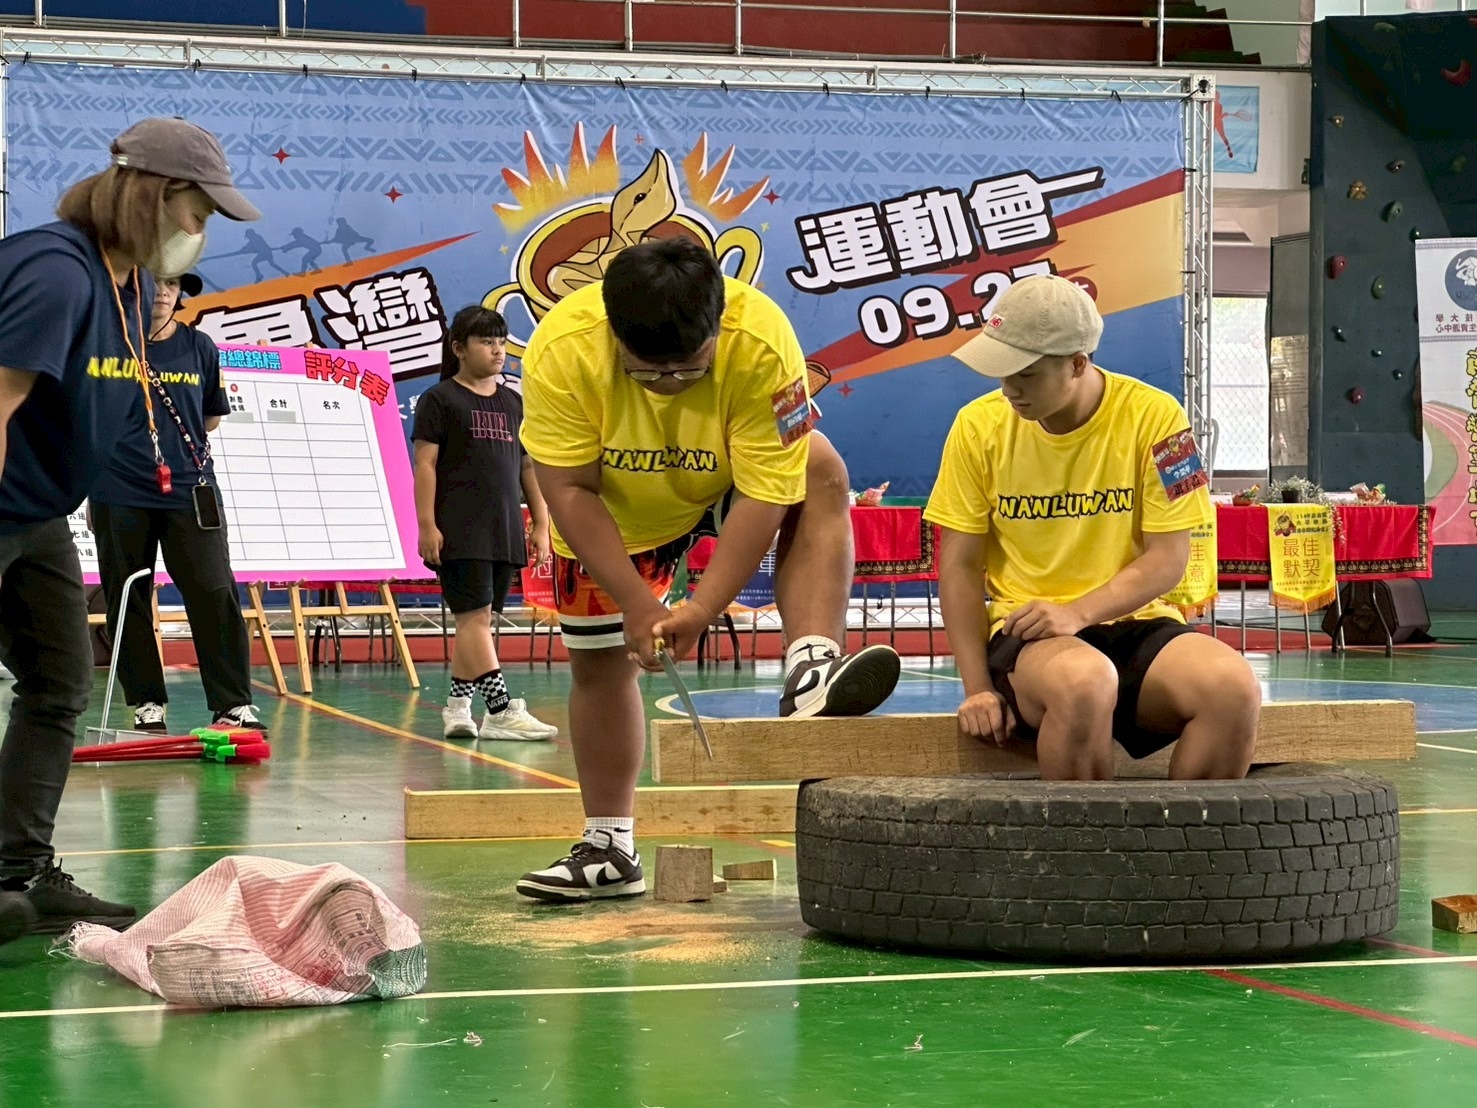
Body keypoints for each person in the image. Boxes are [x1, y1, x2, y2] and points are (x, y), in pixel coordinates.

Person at [515, 237, 901, 902]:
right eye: (647, 374)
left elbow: (767, 489)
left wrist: (704, 606)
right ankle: (610, 849)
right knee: (600, 668)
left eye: (688, 370)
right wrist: (637, 602)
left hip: (725, 476)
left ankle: (811, 664)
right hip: (613, 506)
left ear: (718, 326)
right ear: (613, 334)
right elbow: (568, 488)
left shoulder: (765, 341)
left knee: (821, 469)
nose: (668, 385)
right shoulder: (559, 350)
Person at [0, 117, 260, 946]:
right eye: (197, 212)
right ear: (151, 195)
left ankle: (16, 872)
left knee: (58, 682)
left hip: (35, 511)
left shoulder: (130, 292)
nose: (200, 231)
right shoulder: (55, 270)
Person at [924, 274, 1260, 782]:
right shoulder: (975, 427)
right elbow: (960, 567)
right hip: (1027, 634)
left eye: (1027, 374)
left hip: (1136, 622)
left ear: (1078, 363)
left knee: (1234, 688)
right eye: (1002, 372)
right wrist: (978, 689)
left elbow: (1169, 558)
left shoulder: (1160, 419)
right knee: (1084, 682)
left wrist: (1077, 612)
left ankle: (1190, 834)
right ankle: (1081, 837)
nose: (1009, 389)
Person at [89, 272, 262, 736]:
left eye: (171, 284)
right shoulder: (105, 341)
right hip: (118, 488)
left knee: (214, 589)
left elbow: (210, 418)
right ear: (132, 288)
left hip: (189, 488)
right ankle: (147, 702)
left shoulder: (199, 346)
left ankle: (232, 704)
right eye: (153, 281)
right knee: (128, 595)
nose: (163, 291)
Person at [412, 306, 559, 741]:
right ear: (459, 348)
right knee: (474, 619)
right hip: (460, 528)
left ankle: (458, 708)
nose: (498, 350)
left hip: (503, 527)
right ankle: (499, 709)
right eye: (486, 341)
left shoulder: (513, 402)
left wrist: (541, 523)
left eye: (500, 341)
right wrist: (426, 525)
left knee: (476, 622)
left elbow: (528, 467)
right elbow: (425, 465)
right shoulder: (440, 400)